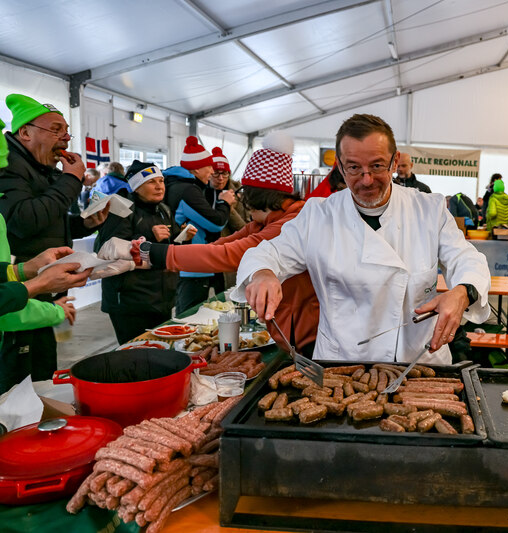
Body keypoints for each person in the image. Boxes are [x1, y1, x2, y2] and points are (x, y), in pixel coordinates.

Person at [233, 113, 490, 363]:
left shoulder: (429, 209)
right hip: (342, 364)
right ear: (340, 166)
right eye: (354, 168)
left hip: (418, 361)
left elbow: (466, 258)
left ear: (394, 161)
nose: (366, 180)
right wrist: (263, 274)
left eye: (377, 165)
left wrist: (462, 292)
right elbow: (267, 253)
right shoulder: (318, 215)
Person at [100, 135, 320, 354]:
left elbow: (228, 253)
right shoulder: (267, 221)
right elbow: (222, 244)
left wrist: (150, 252)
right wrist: (150, 255)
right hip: (292, 330)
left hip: (307, 336)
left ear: (257, 197)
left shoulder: (289, 222)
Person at [0, 93, 108, 381]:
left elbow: (47, 222)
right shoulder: (9, 166)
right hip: (19, 297)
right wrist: (71, 179)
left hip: (41, 287)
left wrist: (84, 224)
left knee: (44, 369)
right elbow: (23, 221)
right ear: (25, 132)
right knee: (20, 380)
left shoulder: (42, 168)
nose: (66, 138)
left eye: (67, 131)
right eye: (56, 130)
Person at [94, 161, 183, 343]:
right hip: (130, 301)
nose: (159, 186)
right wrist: (148, 236)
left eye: (161, 181)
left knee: (160, 350)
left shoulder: (164, 209)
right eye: (151, 182)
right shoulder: (120, 209)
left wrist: (184, 237)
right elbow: (106, 250)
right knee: (135, 353)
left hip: (161, 297)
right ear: (136, 187)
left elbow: (169, 244)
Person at [163, 136, 235, 314]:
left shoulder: (178, 184)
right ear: (196, 168)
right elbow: (216, 223)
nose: (212, 172)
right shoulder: (188, 190)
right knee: (189, 313)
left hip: (185, 260)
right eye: (209, 167)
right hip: (192, 264)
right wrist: (225, 203)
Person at [206, 147, 247, 291]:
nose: (220, 178)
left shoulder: (239, 194)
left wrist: (228, 207)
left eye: (224, 173)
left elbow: (244, 229)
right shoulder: (199, 193)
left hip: (227, 255)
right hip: (205, 252)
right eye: (216, 173)